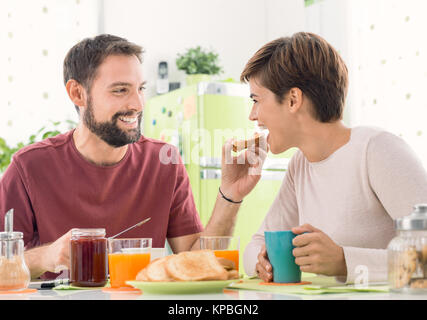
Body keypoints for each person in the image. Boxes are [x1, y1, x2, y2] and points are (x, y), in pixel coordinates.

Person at [0, 34, 267, 280]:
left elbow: (197, 261)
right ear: (77, 93)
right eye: (120, 90)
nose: (138, 104)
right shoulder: (28, 167)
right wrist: (45, 256)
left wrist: (230, 195)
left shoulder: (165, 162)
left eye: (140, 88)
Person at [241, 32, 427, 284]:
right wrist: (262, 261)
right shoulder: (301, 164)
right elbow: (258, 243)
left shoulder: (376, 149)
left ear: (293, 100)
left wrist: (343, 260)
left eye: (256, 100)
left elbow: (424, 257)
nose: (253, 116)